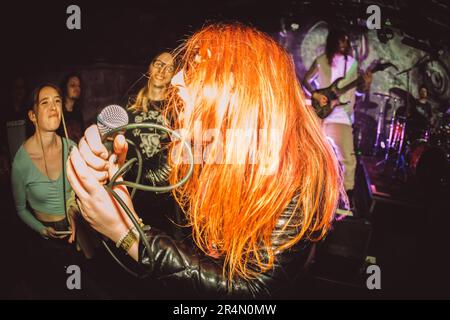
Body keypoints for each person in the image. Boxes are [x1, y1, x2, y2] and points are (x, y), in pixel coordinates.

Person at [67, 23, 345, 298]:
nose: (176, 80)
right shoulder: (214, 142)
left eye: (197, 69)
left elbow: (251, 291)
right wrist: (116, 172)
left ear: (237, 88)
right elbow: (162, 180)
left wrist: (130, 237)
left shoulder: (297, 174)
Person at [11, 83, 78, 297]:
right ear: (32, 115)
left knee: (74, 287)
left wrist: (77, 215)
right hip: (43, 237)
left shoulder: (72, 148)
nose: (54, 107)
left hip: (74, 231)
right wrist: (41, 229)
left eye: (57, 101)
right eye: (45, 102)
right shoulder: (21, 162)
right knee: (49, 289)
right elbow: (20, 209)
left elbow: (80, 192)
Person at [302, 28, 372, 209]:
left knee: (349, 160)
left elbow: (360, 90)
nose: (344, 44)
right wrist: (316, 95)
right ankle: (310, 196)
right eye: (341, 40)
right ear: (334, 41)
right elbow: (306, 81)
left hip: (342, 116)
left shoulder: (353, 65)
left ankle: (347, 198)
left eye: (346, 41)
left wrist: (367, 83)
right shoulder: (322, 60)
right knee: (314, 157)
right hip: (320, 116)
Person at [125, 52, 179, 236]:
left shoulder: (177, 108)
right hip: (133, 189)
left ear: (173, 76)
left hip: (164, 195)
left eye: (170, 68)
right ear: (150, 66)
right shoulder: (130, 103)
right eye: (158, 64)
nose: (162, 70)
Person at [59, 73, 85, 144]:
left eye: (79, 86)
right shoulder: (58, 113)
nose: (77, 89)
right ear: (65, 88)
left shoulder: (78, 113)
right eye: (72, 85)